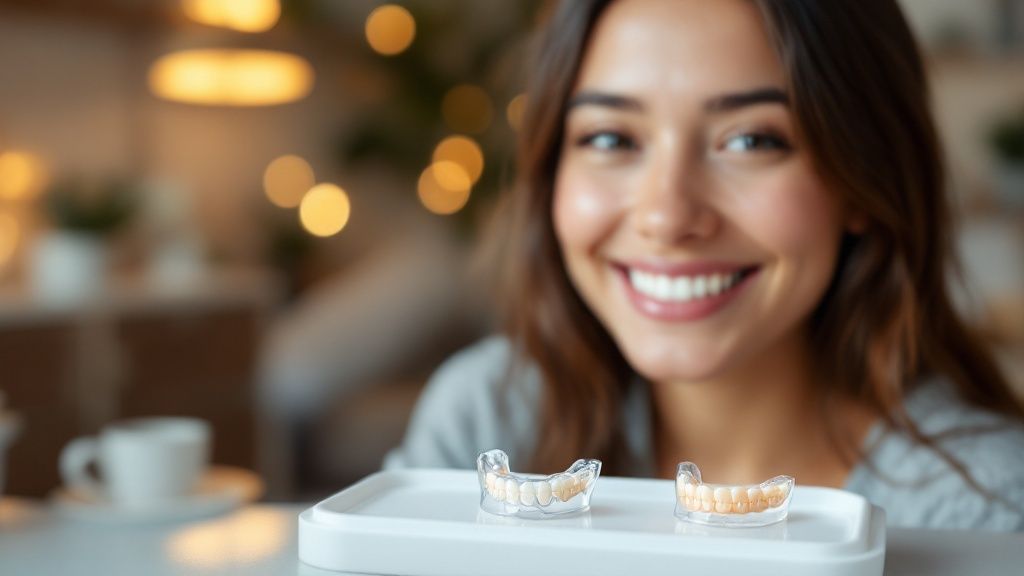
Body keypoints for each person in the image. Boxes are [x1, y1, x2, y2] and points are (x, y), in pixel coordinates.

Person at [385, 0, 1024, 531]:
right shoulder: (489, 417)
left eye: (751, 140)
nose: (666, 214)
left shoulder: (978, 509)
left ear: (861, 180)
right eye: (611, 138)